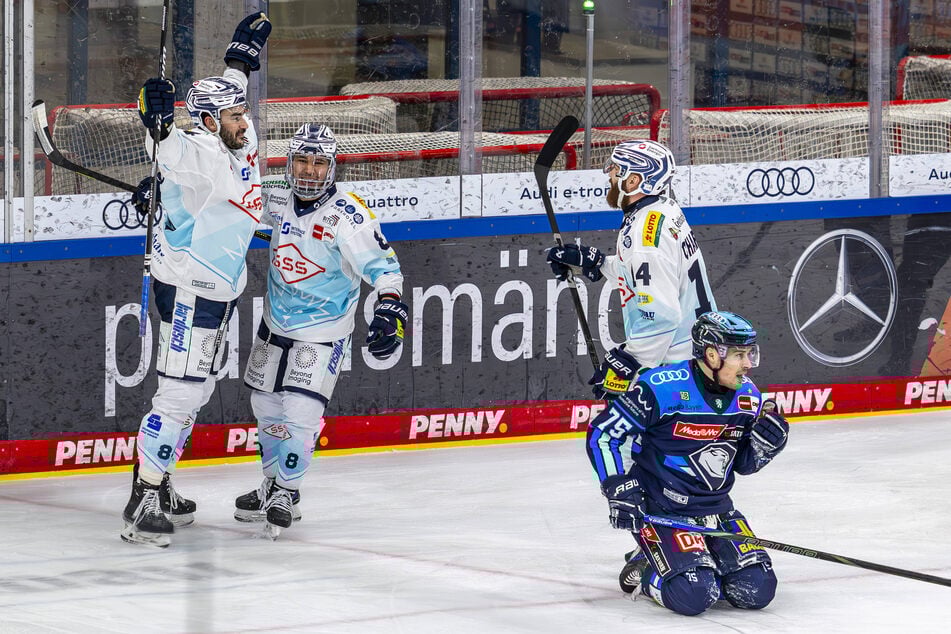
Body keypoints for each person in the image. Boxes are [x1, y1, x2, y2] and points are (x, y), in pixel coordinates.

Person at [120, 13, 272, 548]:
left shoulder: (235, 133)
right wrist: (154, 118)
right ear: (208, 123)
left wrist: (240, 56)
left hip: (219, 287)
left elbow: (231, 90)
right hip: (189, 290)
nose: (243, 119)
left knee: (199, 387)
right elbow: (168, 148)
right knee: (180, 396)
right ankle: (142, 501)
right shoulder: (200, 152)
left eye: (241, 112)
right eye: (232, 115)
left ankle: (158, 487)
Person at [233, 123, 406, 539]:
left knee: (301, 412)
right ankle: (272, 484)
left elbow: (386, 269)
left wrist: (388, 309)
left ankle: (288, 492)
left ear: (331, 167)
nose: (309, 171)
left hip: (323, 331)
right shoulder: (275, 195)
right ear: (290, 163)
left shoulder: (349, 215)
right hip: (275, 323)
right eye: (302, 161)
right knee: (264, 404)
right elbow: (234, 208)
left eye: (319, 162)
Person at [586, 311, 789, 616]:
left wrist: (765, 447)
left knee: (756, 589)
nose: (748, 364)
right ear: (711, 354)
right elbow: (603, 434)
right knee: (693, 594)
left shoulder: (749, 396)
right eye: (739, 355)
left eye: (749, 353)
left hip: (715, 508)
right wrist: (617, 485)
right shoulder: (661, 387)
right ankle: (647, 566)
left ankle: (692, 556)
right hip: (663, 509)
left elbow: (744, 465)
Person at [546, 140, 717, 401]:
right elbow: (659, 275)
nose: (609, 174)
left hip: (678, 370)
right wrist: (599, 264)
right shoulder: (663, 210)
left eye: (616, 169)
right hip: (697, 355)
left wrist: (628, 364)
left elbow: (662, 317)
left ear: (633, 181)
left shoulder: (645, 239)